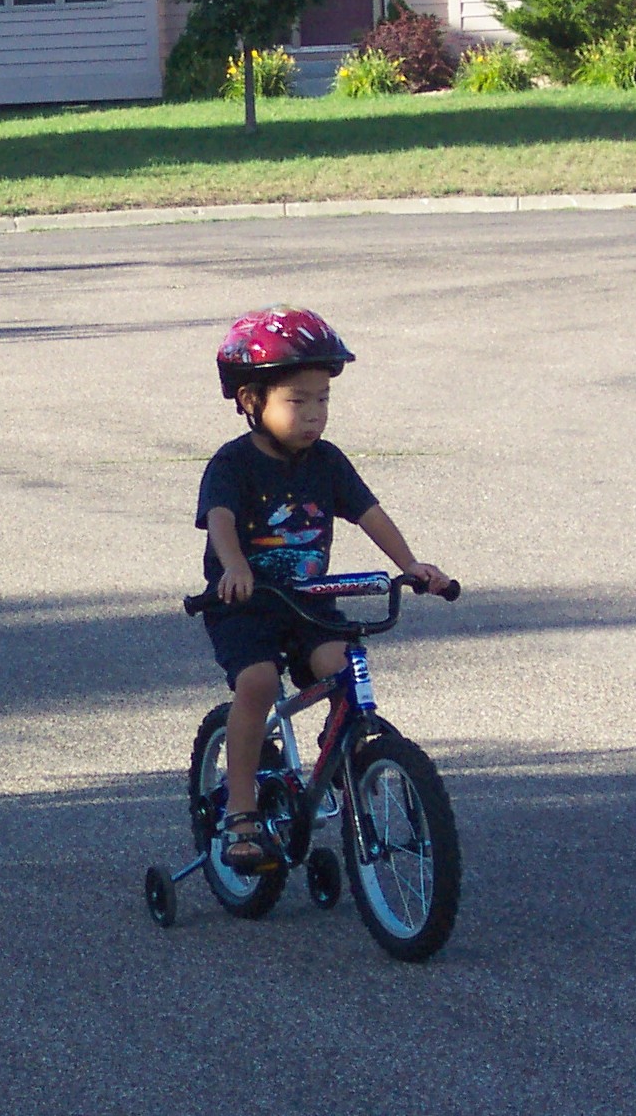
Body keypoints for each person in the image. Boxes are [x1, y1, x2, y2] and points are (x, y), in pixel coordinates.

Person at [195, 307, 452, 874]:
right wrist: (233, 567)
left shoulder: (327, 462)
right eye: (297, 400)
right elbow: (220, 519)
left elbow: (370, 514)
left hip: (308, 604)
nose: (314, 415)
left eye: (322, 401)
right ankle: (240, 810)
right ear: (251, 401)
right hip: (247, 605)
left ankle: (344, 750)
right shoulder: (233, 463)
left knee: (343, 666)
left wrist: (411, 564)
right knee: (259, 682)